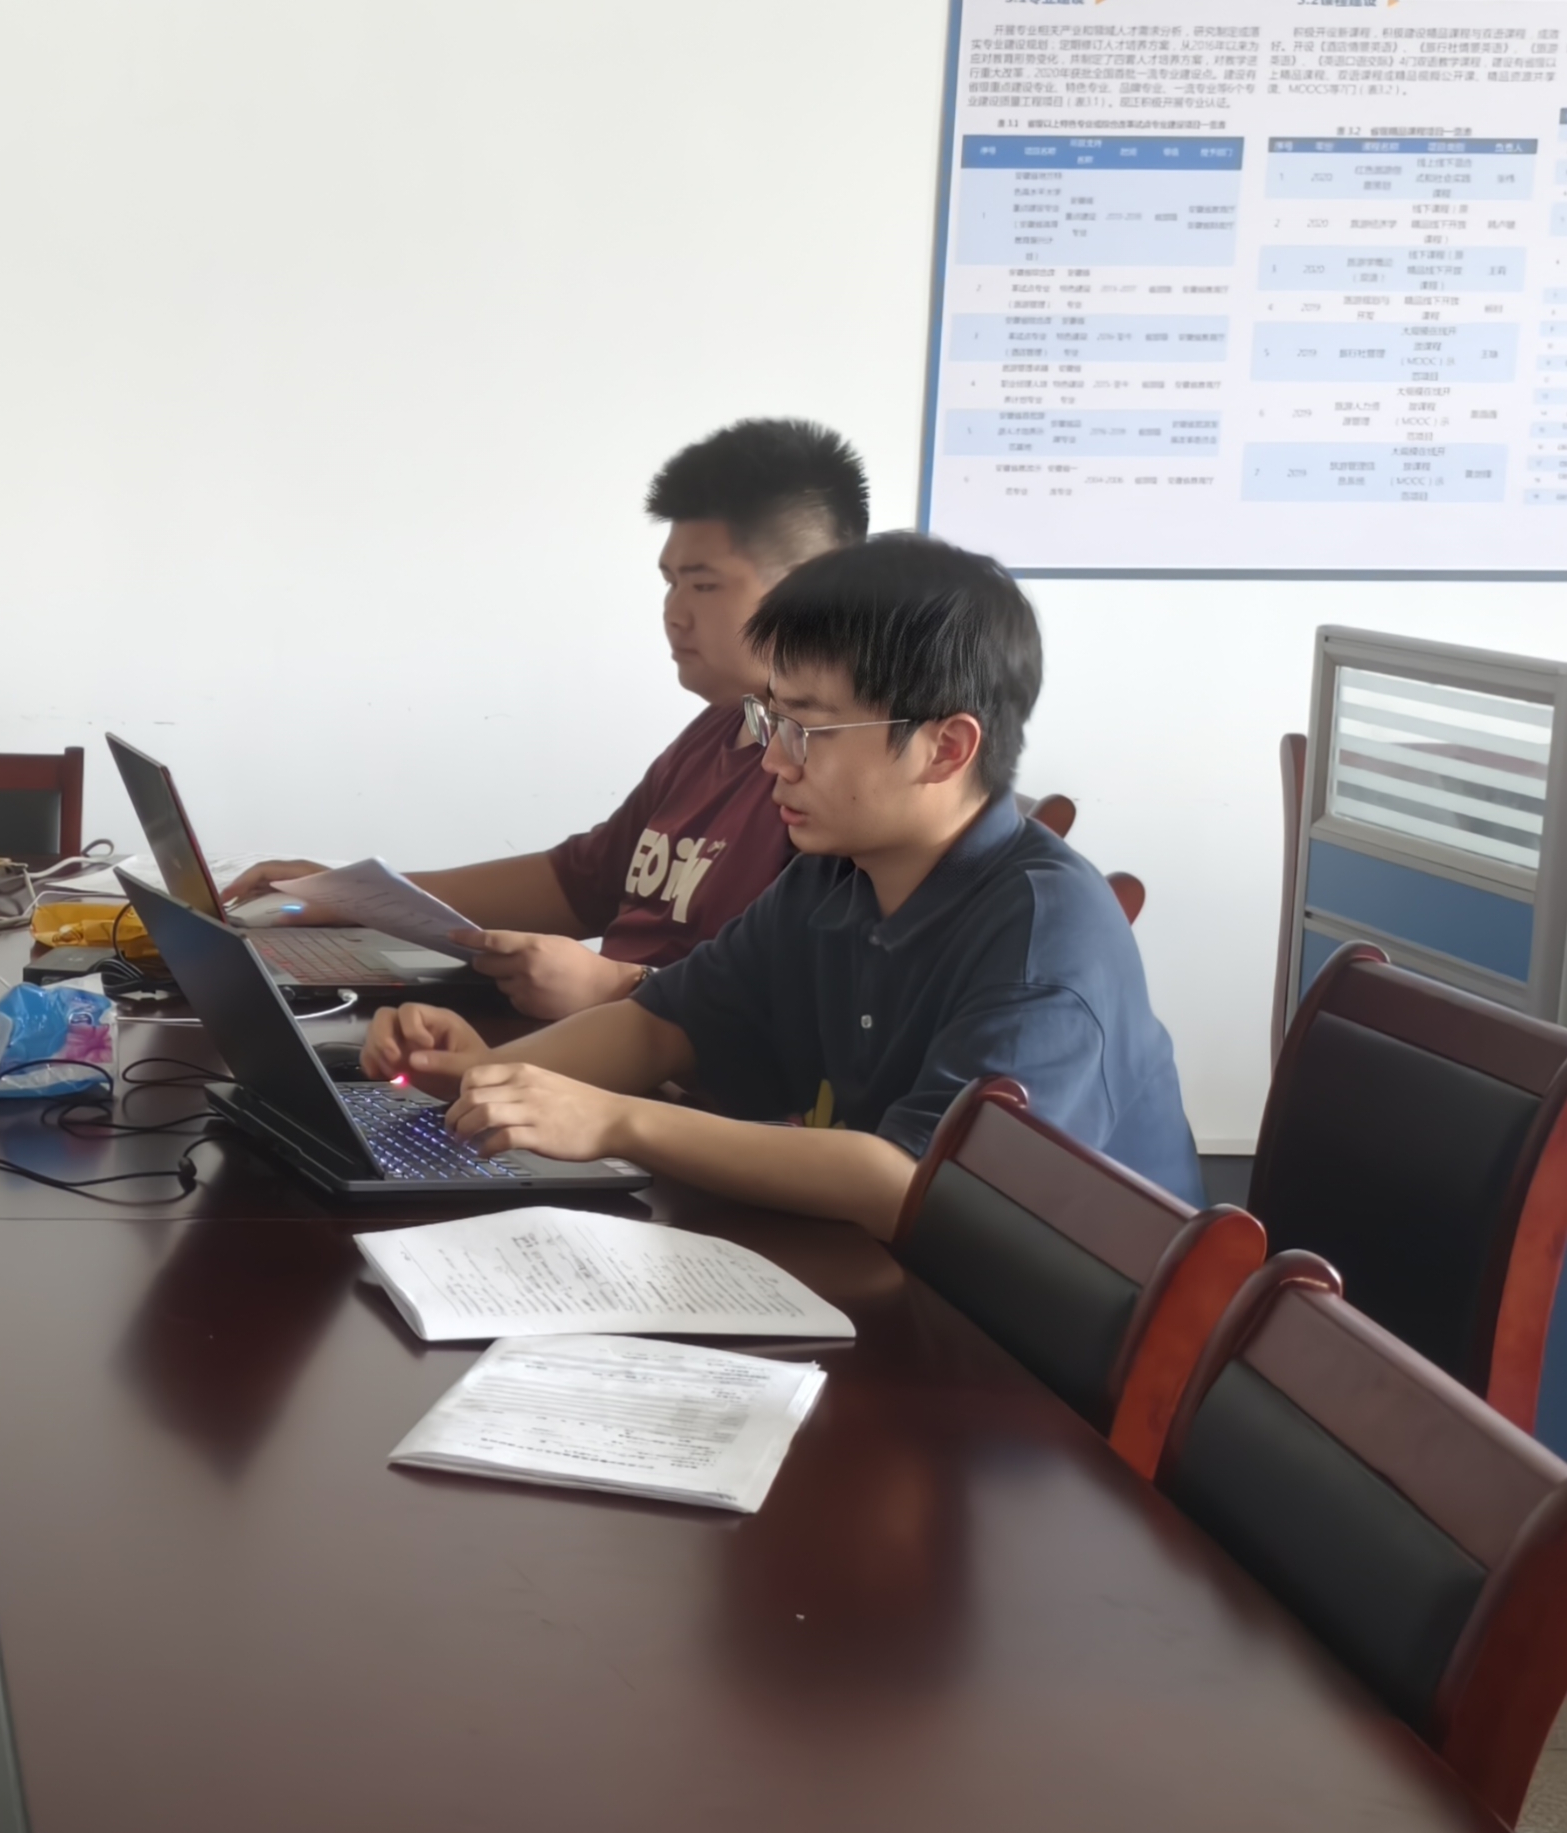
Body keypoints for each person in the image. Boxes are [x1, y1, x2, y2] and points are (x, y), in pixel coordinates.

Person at [358, 533, 1198, 1231]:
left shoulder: (1046, 937)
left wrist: (617, 1122)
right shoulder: (834, 876)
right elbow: (664, 1024)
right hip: (893, 1275)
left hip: (1052, 1348)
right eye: (774, 720)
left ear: (946, 748)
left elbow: (916, 1182)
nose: (773, 762)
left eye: (811, 730)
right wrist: (491, 1078)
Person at [234, 418, 870, 1019]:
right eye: (669, 582)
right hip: (596, 1053)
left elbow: (801, 1011)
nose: (674, 613)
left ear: (808, 588)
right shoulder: (718, 730)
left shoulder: (833, 783)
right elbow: (578, 884)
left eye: (703, 585)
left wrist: (619, 987)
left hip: (668, 1073)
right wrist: (346, 898)